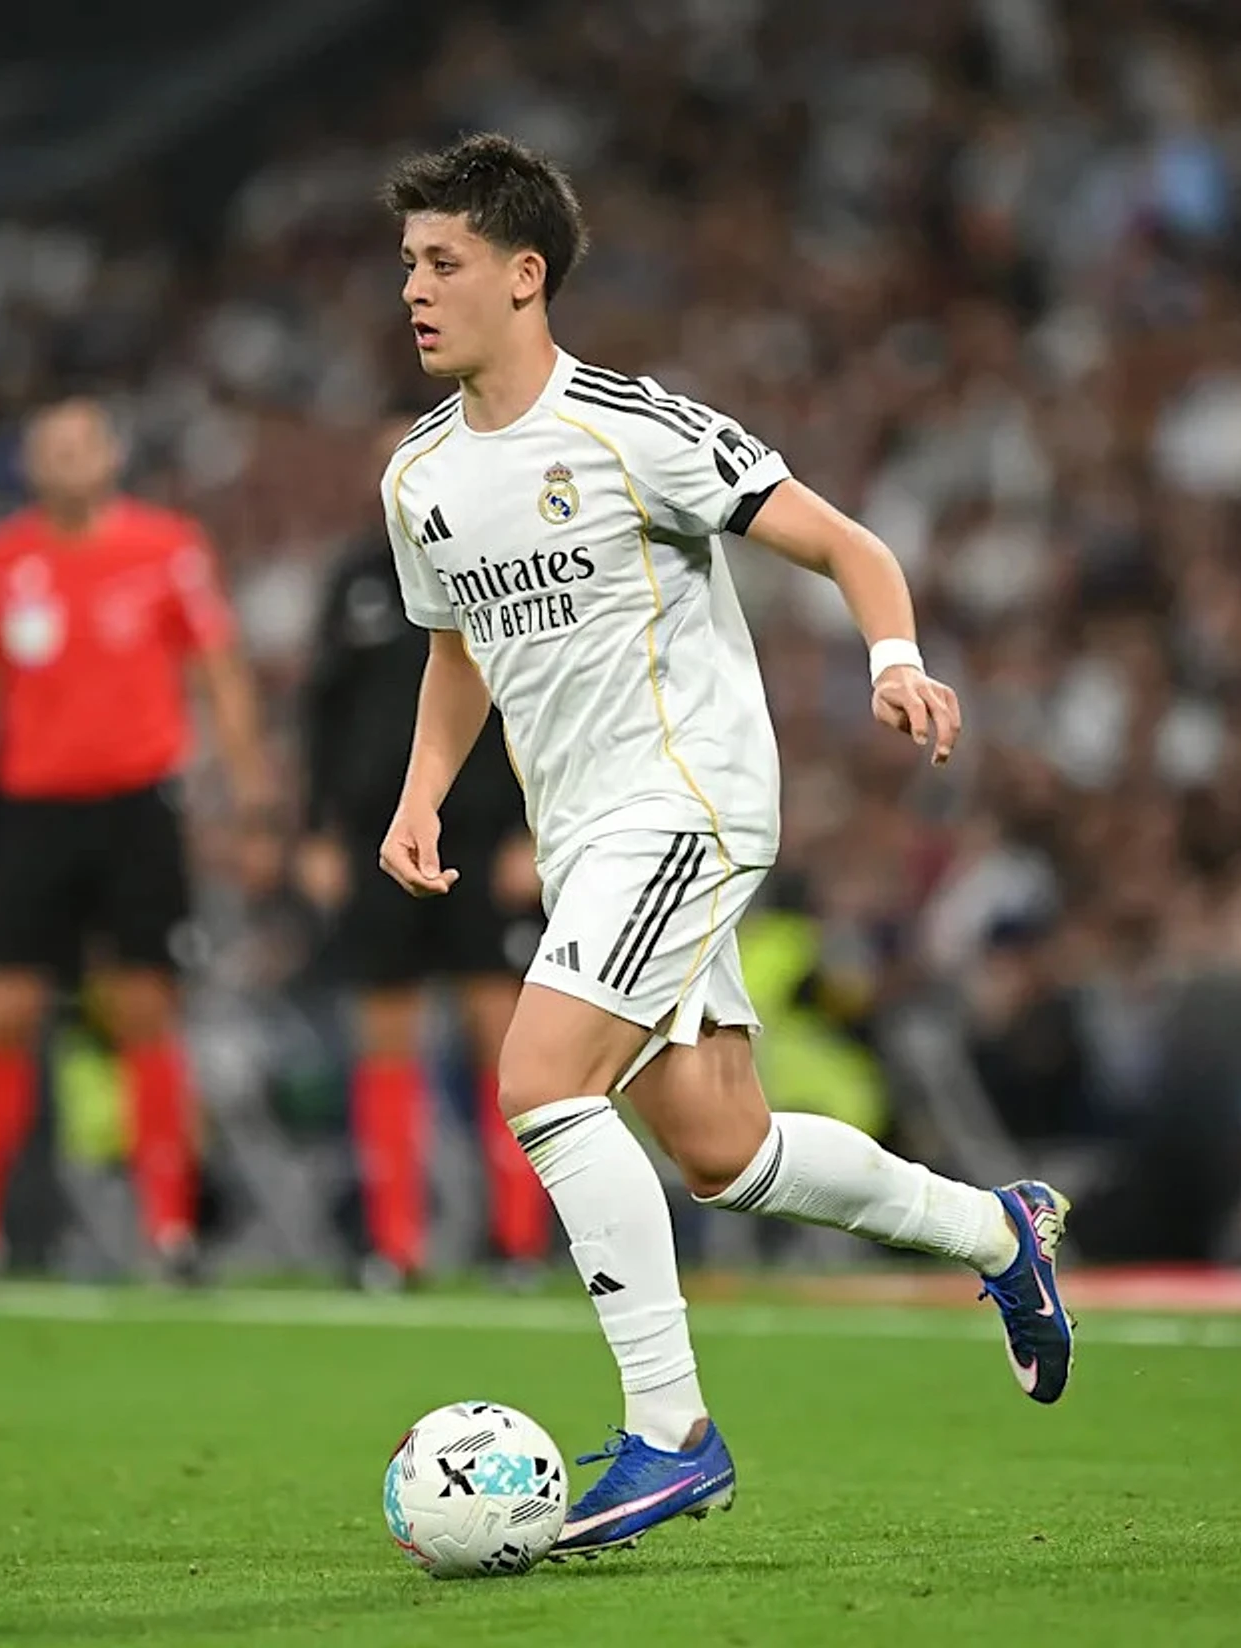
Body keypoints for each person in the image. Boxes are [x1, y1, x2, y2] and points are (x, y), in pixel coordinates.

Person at [373, 133, 1074, 1559]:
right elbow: (457, 644)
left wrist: (893, 657)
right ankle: (999, 1235)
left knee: (540, 1081)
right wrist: (421, 791)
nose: (414, 290)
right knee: (721, 1148)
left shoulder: (634, 428)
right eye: (407, 264)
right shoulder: (421, 477)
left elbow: (847, 544)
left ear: (525, 274)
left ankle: (672, 1433)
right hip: (583, 836)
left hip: (686, 798)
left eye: (442, 262)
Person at [0, 399, 272, 1290]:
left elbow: (221, 675)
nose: (67, 460)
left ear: (111, 454)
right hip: (30, 812)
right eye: (50, 448)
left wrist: (252, 799)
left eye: (80, 445)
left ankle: (169, 1233)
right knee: (3, 1008)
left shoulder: (168, 548)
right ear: (29, 464)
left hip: (136, 808)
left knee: (146, 1006)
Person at [299, 416, 551, 1290]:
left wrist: (533, 829)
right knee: (385, 1031)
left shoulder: (504, 569)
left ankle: (517, 1242)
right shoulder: (357, 581)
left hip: (485, 836)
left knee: (500, 1035)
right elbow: (323, 716)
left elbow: (541, 705)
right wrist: (315, 831)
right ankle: (394, 1246)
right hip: (379, 835)